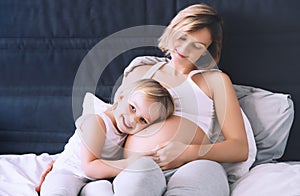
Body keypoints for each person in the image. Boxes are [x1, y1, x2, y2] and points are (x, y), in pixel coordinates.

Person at [80, 3, 256, 196]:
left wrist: (186, 152)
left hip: (195, 164)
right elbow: (110, 124)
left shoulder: (215, 81)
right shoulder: (141, 70)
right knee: (136, 184)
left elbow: (239, 148)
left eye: (197, 46)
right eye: (182, 37)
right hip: (138, 166)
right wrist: (66, 164)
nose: (184, 49)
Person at [39, 79, 175, 196]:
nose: (133, 120)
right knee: (60, 191)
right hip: (68, 173)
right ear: (121, 97)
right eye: (132, 108)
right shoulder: (98, 123)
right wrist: (132, 162)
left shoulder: (125, 132)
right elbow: (89, 167)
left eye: (143, 120)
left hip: (93, 181)